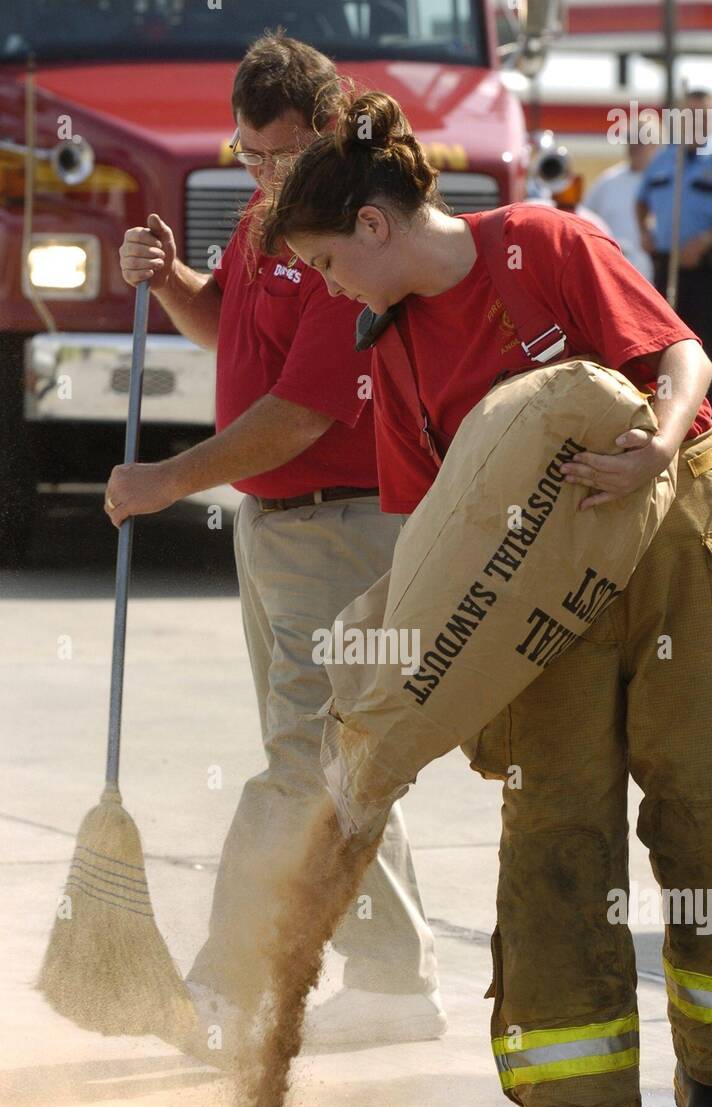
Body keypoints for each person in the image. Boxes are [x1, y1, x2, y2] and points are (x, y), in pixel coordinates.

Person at [260, 91, 712, 1107]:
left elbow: (681, 356)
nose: (326, 287)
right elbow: (432, 545)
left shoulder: (547, 243)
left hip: (680, 527)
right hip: (541, 592)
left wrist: (651, 442)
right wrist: (388, 694)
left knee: (708, 797)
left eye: (323, 260)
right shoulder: (395, 355)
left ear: (372, 224)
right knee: (554, 821)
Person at [108, 37, 444, 1052]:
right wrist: (172, 282)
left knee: (301, 763)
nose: (262, 175)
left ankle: (222, 985)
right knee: (334, 756)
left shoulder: (349, 242)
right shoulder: (271, 218)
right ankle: (390, 981)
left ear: (331, 129)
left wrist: (168, 478)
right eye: (247, 155)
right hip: (278, 530)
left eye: (281, 155)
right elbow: (232, 335)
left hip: (344, 527)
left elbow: (299, 412)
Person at [636, 89, 712, 414]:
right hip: (668, 270)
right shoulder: (666, 157)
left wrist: (706, 240)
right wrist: (645, 231)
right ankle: (665, 421)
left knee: (706, 352)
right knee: (664, 349)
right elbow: (642, 198)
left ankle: (703, 425)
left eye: (703, 114)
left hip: (711, 275)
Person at [586, 120, 657, 280]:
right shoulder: (607, 181)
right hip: (610, 270)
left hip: (651, 274)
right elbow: (585, 218)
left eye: (641, 141)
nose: (635, 146)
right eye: (631, 139)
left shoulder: (664, 184)